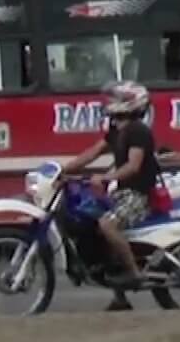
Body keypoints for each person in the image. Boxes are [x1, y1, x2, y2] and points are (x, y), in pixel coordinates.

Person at [59, 80, 161, 301]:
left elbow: (133, 166)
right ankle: (119, 296)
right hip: (122, 193)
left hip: (138, 195)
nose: (110, 103)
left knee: (108, 224)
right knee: (89, 221)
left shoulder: (139, 132)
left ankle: (134, 273)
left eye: (117, 99)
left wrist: (106, 178)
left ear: (130, 104)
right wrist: (62, 170)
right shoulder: (117, 130)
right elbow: (92, 152)